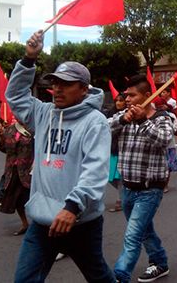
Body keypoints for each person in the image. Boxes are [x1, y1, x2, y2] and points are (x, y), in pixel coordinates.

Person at [8, 30, 115, 282]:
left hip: (78, 221)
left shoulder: (95, 122)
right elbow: (15, 96)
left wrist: (72, 207)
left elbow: (95, 170)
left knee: (98, 275)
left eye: (65, 84)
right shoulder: (44, 113)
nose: (57, 89)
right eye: (55, 83)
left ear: (84, 89)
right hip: (43, 219)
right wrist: (28, 61)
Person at [109, 75, 173, 283]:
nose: (127, 99)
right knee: (144, 230)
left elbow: (163, 140)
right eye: (126, 95)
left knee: (133, 235)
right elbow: (101, 128)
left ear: (147, 96)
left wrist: (143, 121)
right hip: (126, 187)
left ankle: (120, 275)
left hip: (150, 189)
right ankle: (160, 262)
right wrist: (122, 119)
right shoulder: (123, 116)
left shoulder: (162, 117)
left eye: (132, 95)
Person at [0, 120, 34, 236]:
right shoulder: (11, 129)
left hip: (30, 169)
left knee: (32, 198)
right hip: (13, 170)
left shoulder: (34, 128)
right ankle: (25, 223)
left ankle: (41, 224)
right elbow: (4, 149)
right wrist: (1, 135)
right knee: (17, 199)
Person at [106, 94, 126, 212]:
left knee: (119, 178)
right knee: (110, 177)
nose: (118, 103)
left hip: (121, 149)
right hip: (110, 149)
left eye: (121, 100)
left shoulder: (128, 115)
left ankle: (120, 200)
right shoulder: (111, 114)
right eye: (117, 101)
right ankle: (125, 196)